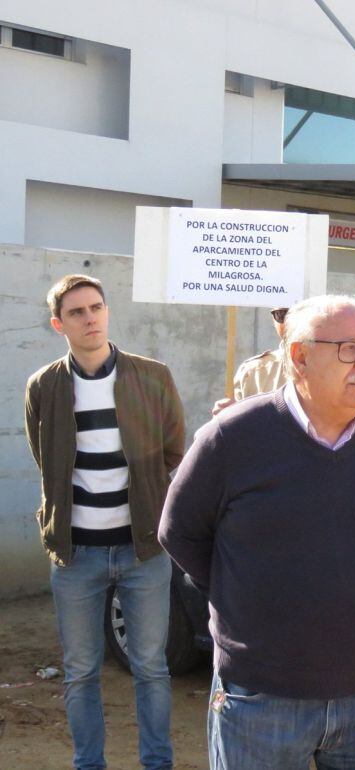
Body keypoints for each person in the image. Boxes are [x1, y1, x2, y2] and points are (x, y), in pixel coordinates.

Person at [159, 295, 355, 770]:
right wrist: (243, 597)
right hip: (262, 696)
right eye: (348, 349)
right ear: (299, 356)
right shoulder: (231, 438)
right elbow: (180, 533)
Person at [24, 274, 185, 770]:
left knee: (152, 669)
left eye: (96, 307)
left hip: (143, 551)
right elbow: (46, 457)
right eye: (76, 312)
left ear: (107, 312)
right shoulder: (45, 385)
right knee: (79, 672)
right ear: (59, 324)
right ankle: (87, 763)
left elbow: (174, 449)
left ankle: (157, 762)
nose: (90, 317)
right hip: (76, 555)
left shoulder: (151, 376)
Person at [211, 306, 288, 416]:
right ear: (273, 319)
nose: (292, 322)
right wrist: (229, 420)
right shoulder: (253, 373)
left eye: (300, 312)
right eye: (282, 314)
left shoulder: (321, 367)